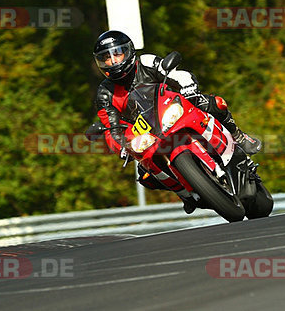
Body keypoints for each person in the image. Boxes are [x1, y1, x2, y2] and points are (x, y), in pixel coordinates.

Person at [88, 30, 263, 210]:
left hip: (173, 107)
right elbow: (111, 128)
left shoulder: (146, 61)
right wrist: (121, 146)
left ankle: (238, 136)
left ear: (129, 51)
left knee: (214, 103)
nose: (113, 61)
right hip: (147, 134)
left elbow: (174, 73)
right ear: (100, 63)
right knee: (145, 176)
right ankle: (185, 192)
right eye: (106, 58)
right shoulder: (105, 93)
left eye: (117, 54)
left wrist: (188, 87)